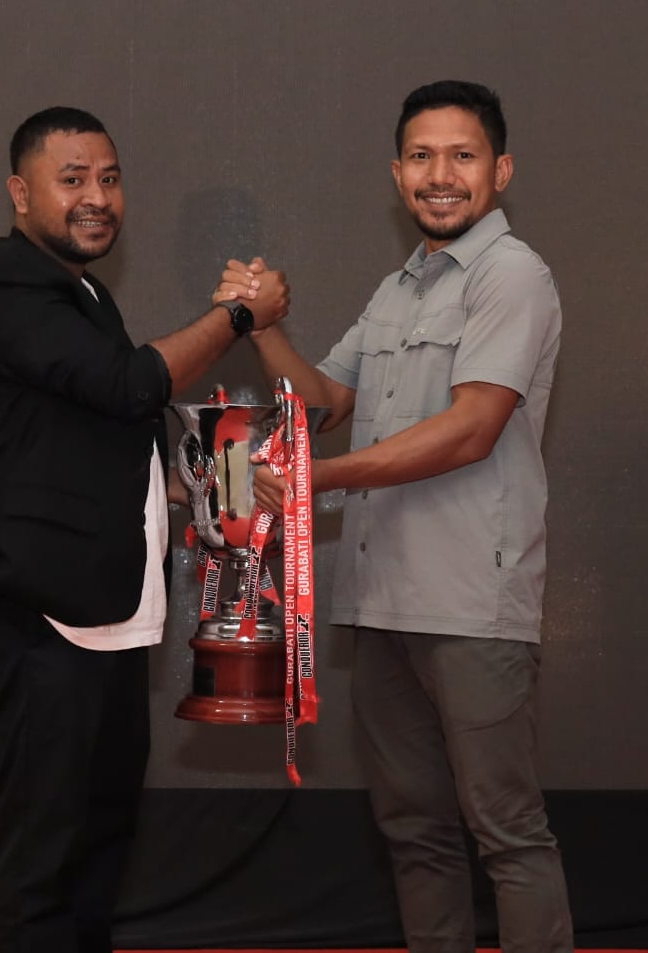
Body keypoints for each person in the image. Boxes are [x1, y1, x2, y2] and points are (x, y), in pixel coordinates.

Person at [232, 80, 572, 953]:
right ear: (397, 174)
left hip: (469, 604)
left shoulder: (512, 275)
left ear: (500, 170)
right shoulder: (398, 289)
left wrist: (315, 482)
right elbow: (324, 401)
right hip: (381, 602)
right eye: (421, 156)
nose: (440, 175)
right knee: (414, 830)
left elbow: (470, 429)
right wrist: (262, 327)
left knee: (506, 831)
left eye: (462, 155)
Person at [0, 106, 288, 953]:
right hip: (44, 615)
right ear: (19, 193)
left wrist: (208, 485)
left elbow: (100, 437)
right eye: (72, 180)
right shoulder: (4, 283)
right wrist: (238, 317)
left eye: (109, 178)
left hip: (108, 616)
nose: (96, 197)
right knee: (43, 857)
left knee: (100, 840)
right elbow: (129, 386)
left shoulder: (86, 294)